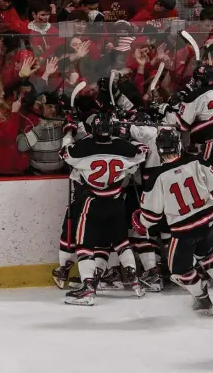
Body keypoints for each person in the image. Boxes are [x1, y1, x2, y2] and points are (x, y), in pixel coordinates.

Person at [135, 128, 213, 313]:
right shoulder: (197, 162)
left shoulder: (156, 176)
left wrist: (140, 223)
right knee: (207, 256)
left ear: (159, 150)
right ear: (178, 145)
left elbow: (152, 216)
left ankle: (203, 298)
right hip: (207, 223)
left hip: (183, 232)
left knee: (179, 271)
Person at [60, 113, 147, 306]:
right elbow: (142, 152)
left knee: (84, 245)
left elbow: (65, 153)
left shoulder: (84, 147)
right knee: (121, 242)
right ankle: (134, 280)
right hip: (116, 201)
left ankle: (88, 288)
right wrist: (125, 135)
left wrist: (69, 131)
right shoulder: (122, 147)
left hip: (91, 203)